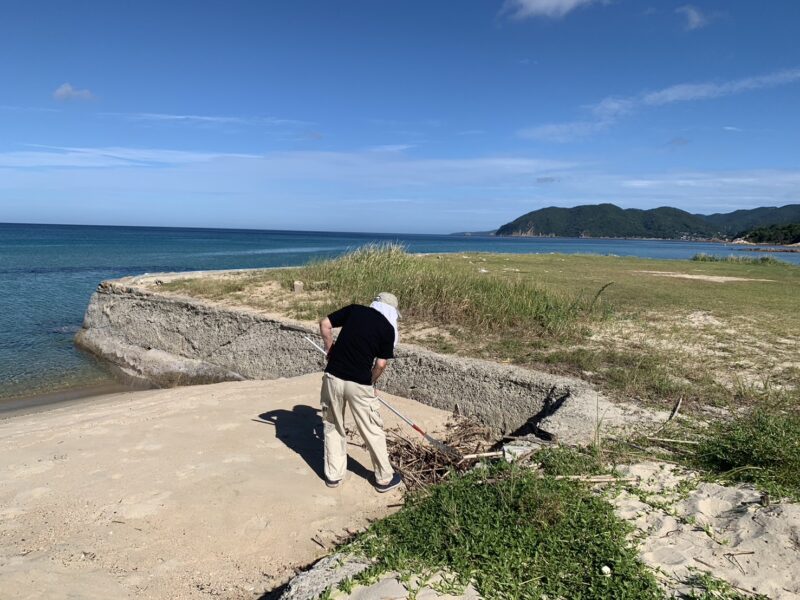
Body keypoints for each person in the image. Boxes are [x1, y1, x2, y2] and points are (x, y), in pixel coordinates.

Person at [318, 292, 403, 492]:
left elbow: (325, 324)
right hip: (360, 384)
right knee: (371, 429)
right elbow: (380, 364)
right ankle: (383, 478)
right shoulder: (387, 330)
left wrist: (330, 351)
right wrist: (371, 382)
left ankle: (334, 476)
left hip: (333, 378)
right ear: (392, 312)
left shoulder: (354, 310)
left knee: (332, 425)